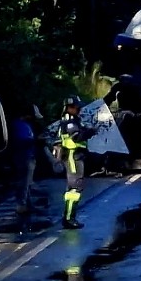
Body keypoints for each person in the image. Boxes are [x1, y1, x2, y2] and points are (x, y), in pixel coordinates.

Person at [59, 96, 97, 229]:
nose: (79, 109)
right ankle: (69, 218)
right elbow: (77, 136)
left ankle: (69, 216)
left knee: (74, 188)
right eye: (77, 107)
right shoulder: (69, 122)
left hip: (77, 155)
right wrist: (90, 132)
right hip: (73, 156)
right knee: (75, 188)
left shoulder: (74, 120)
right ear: (70, 107)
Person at [10, 104, 43, 213]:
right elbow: (20, 142)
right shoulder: (19, 125)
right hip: (23, 157)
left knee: (27, 182)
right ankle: (22, 205)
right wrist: (36, 141)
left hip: (27, 155)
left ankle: (27, 204)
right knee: (23, 182)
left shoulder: (24, 125)